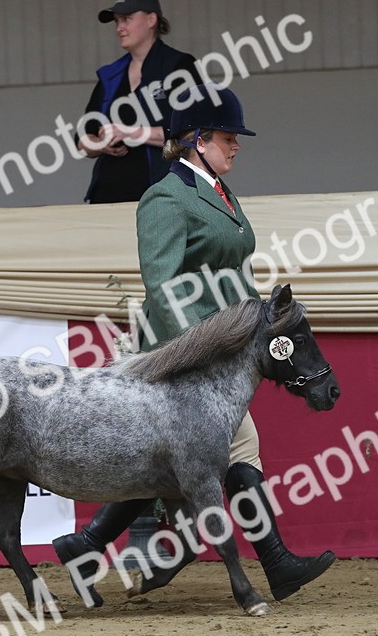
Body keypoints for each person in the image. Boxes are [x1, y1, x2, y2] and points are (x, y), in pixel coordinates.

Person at [54, 86, 336, 602]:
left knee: (210, 457)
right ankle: (275, 565)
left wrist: (263, 322)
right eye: (229, 138)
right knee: (225, 451)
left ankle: (88, 541)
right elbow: (161, 285)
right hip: (182, 350)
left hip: (226, 350)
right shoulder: (165, 197)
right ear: (198, 140)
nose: (237, 147)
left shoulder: (221, 193)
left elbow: (235, 272)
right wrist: (205, 348)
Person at [78, 0, 201, 204]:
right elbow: (81, 140)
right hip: (107, 195)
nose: (119, 28)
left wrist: (130, 132)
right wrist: (100, 144)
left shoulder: (179, 66)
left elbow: (193, 130)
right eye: (116, 21)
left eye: (126, 19)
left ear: (152, 19)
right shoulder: (111, 75)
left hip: (162, 195)